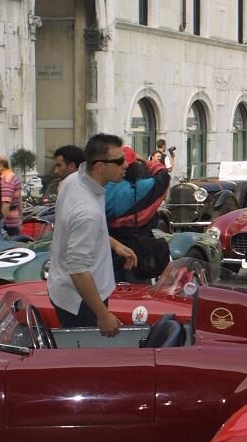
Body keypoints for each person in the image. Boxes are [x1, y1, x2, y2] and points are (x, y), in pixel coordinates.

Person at [47, 134, 137, 335]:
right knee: (87, 362)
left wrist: (113, 244)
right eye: (120, 161)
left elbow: (77, 230)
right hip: (82, 301)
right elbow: (78, 270)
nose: (126, 165)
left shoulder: (73, 181)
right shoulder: (87, 211)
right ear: (100, 166)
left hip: (68, 290)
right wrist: (102, 314)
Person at [106, 148, 171, 281]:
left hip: (107, 255)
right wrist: (146, 161)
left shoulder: (101, 188)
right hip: (139, 257)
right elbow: (164, 175)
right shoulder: (145, 187)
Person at [0, 155, 22, 238]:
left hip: (7, 224)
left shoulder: (6, 180)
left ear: (1, 166)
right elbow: (19, 200)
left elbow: (6, 204)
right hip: (14, 221)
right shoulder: (14, 176)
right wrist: (20, 219)